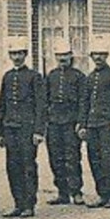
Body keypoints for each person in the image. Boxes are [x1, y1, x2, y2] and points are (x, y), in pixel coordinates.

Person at [0, 42, 47, 217]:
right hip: (11, 128)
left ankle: (29, 204)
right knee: (12, 166)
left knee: (28, 165)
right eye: (13, 54)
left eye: (20, 53)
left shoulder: (34, 76)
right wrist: (1, 132)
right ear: (10, 56)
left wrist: (39, 131)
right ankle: (18, 203)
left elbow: (41, 106)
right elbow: (2, 105)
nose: (17, 57)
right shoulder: (7, 77)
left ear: (25, 54)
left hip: (27, 129)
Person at [80, 43, 110, 209]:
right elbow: (84, 103)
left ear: (107, 55)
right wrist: (82, 124)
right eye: (95, 54)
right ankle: (102, 194)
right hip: (92, 125)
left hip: (108, 124)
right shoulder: (89, 78)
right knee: (94, 160)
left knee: (109, 160)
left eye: (101, 54)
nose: (98, 57)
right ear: (91, 56)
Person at [43, 40, 87, 205]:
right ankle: (62, 192)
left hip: (71, 121)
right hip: (54, 122)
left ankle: (76, 191)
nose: (63, 58)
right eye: (59, 55)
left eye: (66, 55)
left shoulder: (79, 76)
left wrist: (81, 122)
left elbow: (83, 101)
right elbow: (45, 100)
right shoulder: (51, 76)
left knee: (72, 156)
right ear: (55, 56)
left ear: (71, 56)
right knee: (56, 157)